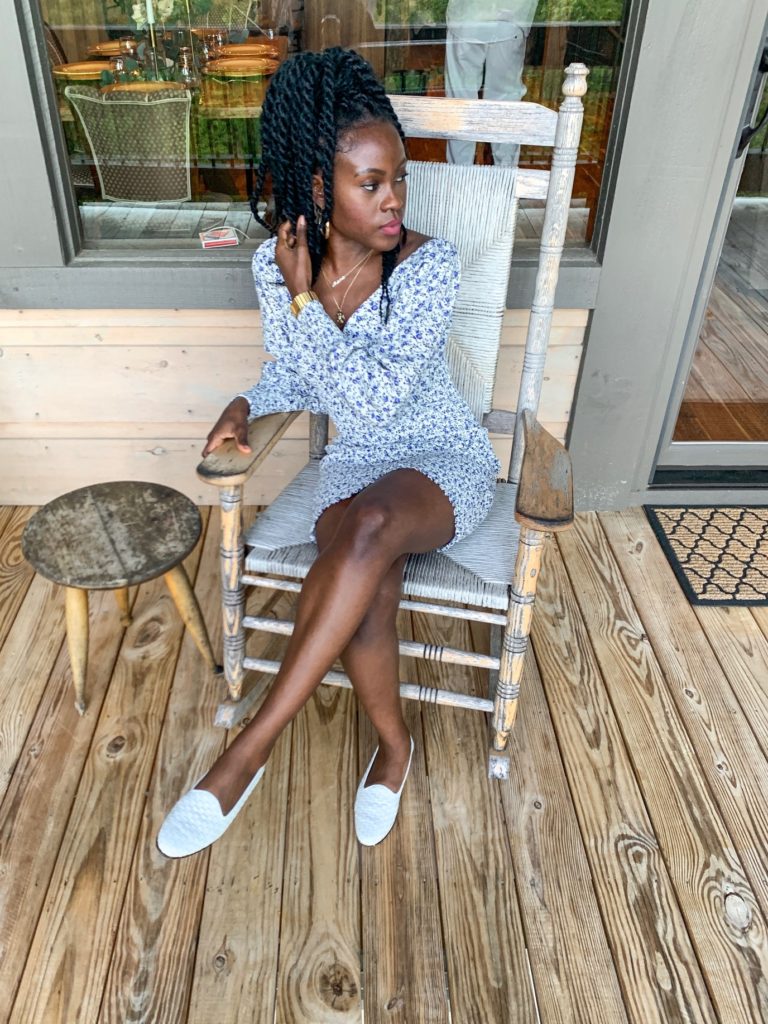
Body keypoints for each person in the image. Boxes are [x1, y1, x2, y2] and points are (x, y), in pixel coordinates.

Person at [157, 47, 501, 859]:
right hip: (356, 465)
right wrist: (246, 401)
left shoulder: (426, 266)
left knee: (374, 523)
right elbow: (297, 371)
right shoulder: (274, 265)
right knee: (365, 574)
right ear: (318, 187)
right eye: (371, 184)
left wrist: (307, 295)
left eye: (399, 180)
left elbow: (378, 399)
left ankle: (247, 751)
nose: (394, 202)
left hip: (440, 460)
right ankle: (394, 748)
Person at [444, 0, 538, 167]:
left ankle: (458, 176)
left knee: (460, 101)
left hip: (467, 16)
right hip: (510, 16)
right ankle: (505, 178)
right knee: (506, 102)